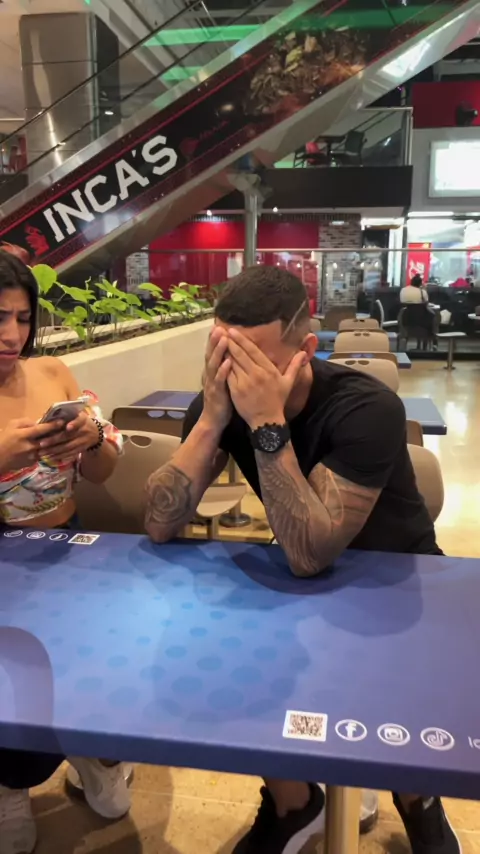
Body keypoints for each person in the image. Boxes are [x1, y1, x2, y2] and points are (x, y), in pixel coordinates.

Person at [144, 265, 459, 854]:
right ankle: (295, 803)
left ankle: (418, 799)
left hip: (395, 571)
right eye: (225, 356)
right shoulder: (221, 401)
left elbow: (313, 553)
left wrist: (267, 423)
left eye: (256, 361)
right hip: (296, 565)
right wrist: (212, 417)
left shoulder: (367, 407)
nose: (238, 376)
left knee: (400, 721)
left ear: (305, 350)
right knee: (239, 669)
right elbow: (160, 523)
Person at [0, 248, 130, 854]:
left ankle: (93, 752)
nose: (11, 335)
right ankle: (12, 786)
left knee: (92, 664)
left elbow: (101, 472)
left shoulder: (53, 372)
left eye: (22, 318)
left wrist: (93, 436)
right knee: (16, 682)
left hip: (69, 548)